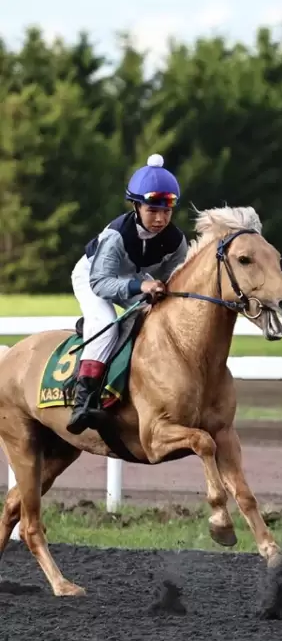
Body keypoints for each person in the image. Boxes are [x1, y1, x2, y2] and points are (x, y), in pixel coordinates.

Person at [66, 153, 189, 434]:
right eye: (152, 210)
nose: (160, 219)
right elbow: (101, 283)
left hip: (133, 279)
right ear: (136, 206)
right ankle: (83, 400)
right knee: (106, 326)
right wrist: (141, 286)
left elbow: (174, 278)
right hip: (93, 277)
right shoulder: (116, 235)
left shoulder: (176, 240)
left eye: (166, 212)